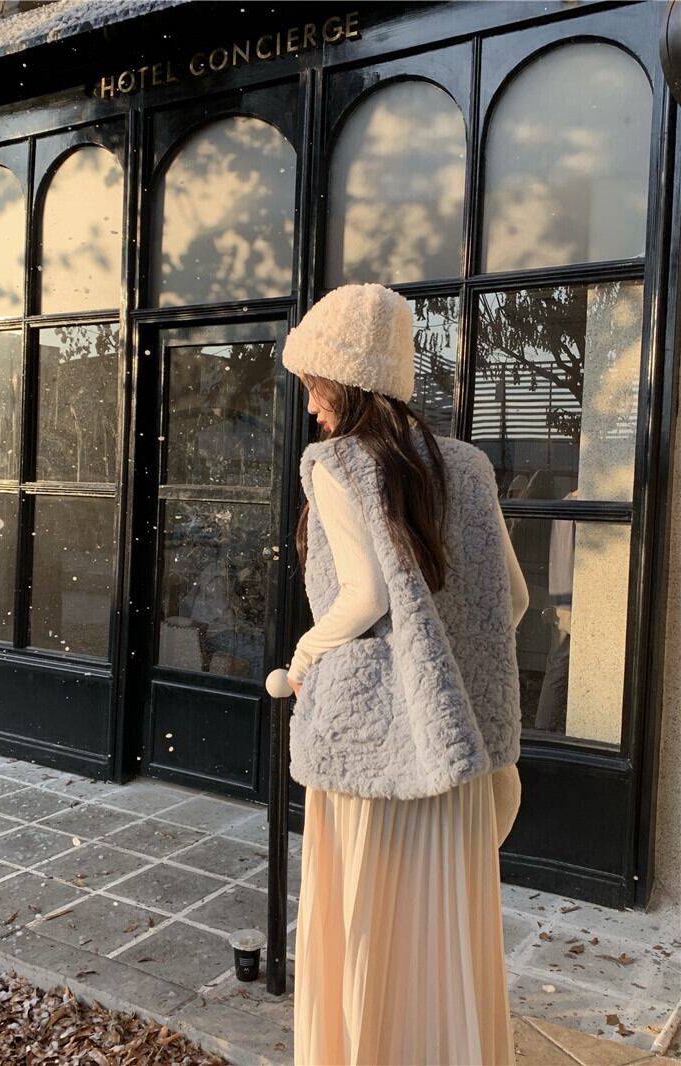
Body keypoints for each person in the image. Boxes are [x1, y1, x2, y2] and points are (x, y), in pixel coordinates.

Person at [278, 282, 529, 1066]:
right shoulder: (467, 466)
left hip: (372, 747)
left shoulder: (336, 464)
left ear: (346, 380)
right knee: (442, 941)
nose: (311, 406)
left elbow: (364, 597)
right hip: (454, 748)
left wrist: (304, 658)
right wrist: (447, 666)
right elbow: (514, 598)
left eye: (315, 385)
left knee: (364, 928)